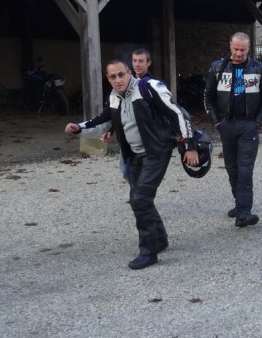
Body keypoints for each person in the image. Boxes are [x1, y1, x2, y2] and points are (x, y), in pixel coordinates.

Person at [64, 60, 198, 270]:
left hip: (156, 152)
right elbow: (103, 121)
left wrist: (189, 144)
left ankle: (148, 252)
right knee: (139, 199)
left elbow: (177, 114)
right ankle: (160, 240)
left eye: (121, 75)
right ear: (108, 79)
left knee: (141, 199)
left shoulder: (149, 88)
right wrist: (79, 128)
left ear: (129, 73)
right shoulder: (114, 97)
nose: (118, 80)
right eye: (112, 77)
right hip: (135, 155)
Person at [203, 32, 262, 228]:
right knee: (232, 168)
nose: (239, 53)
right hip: (227, 125)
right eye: (236, 49)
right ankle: (239, 204)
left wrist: (258, 122)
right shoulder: (217, 68)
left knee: (245, 169)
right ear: (230, 46)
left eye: (242, 50)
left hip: (249, 126)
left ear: (249, 48)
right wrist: (217, 122)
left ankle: (244, 212)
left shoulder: (259, 69)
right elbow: (208, 98)